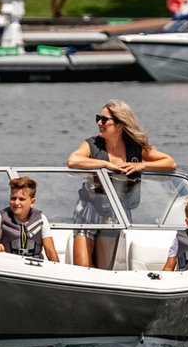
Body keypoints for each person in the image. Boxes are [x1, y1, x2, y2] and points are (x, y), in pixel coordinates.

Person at [66, 100, 177, 268]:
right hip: (88, 208)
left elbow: (170, 163)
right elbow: (73, 160)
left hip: (116, 212)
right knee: (82, 268)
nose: (99, 123)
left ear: (119, 124)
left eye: (104, 120)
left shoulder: (135, 148)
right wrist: (105, 165)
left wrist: (142, 165)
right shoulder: (92, 144)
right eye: (98, 118)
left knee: (103, 269)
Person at [0, 176, 60, 262]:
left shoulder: (41, 219)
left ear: (32, 202)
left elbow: (50, 251)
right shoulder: (0, 218)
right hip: (8, 267)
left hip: (34, 268)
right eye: (13, 198)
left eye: (21, 199)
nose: (16, 202)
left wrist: (59, 273)